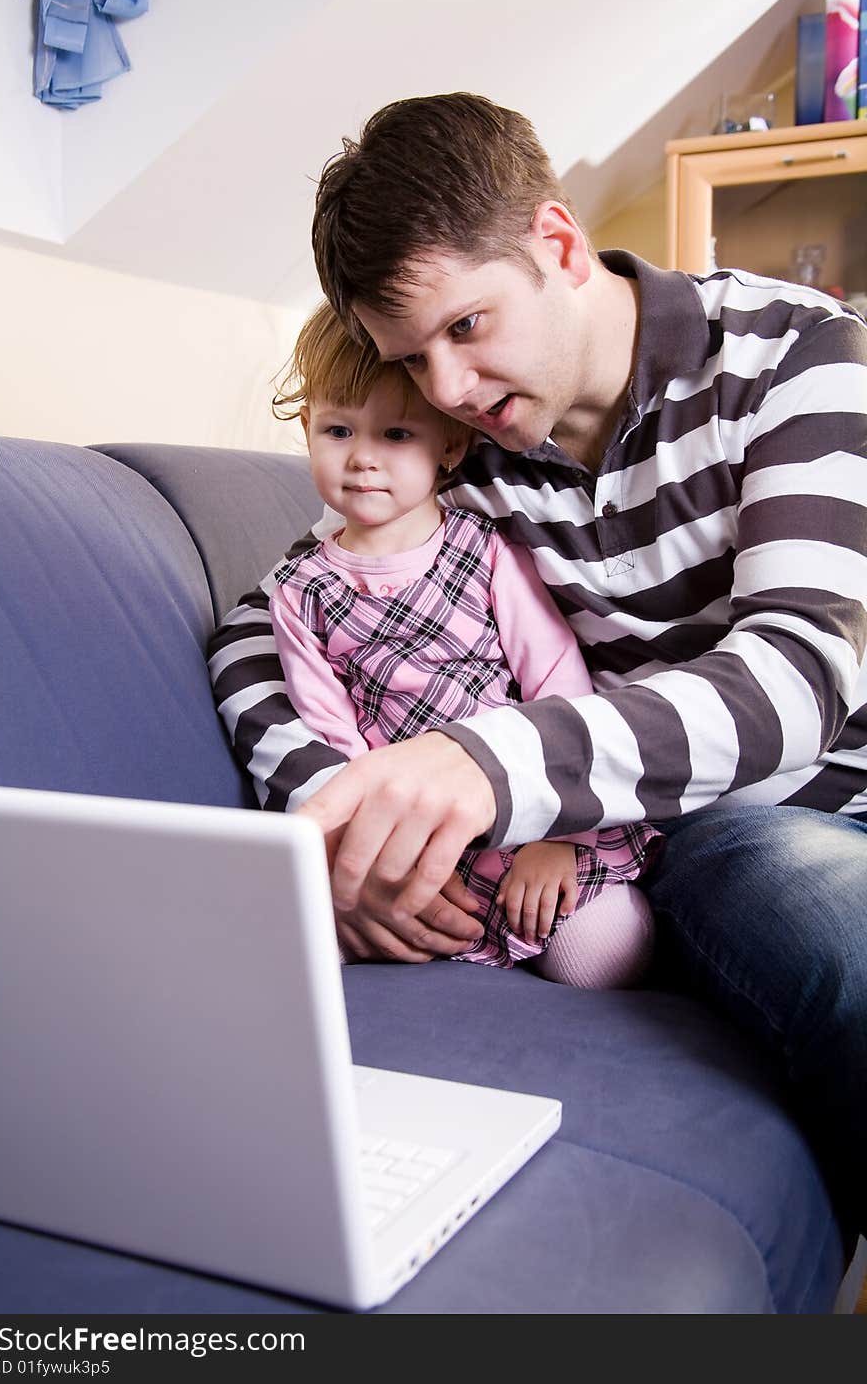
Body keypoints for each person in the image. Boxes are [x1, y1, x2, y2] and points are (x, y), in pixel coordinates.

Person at [208, 93, 867, 1237]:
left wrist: (485, 760)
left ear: (557, 244)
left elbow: (801, 670)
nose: (445, 389)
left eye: (465, 328)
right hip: (724, 822)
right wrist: (338, 817)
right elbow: (256, 622)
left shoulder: (797, 352)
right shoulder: (465, 452)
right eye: (408, 357)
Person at [267, 300, 659, 984]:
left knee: (599, 954)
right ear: (307, 430)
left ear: (449, 447)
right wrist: (377, 858)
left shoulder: (485, 550)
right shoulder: (299, 590)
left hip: (532, 804)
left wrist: (559, 836)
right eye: (337, 430)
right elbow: (333, 739)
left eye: (394, 434)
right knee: (296, 945)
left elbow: (557, 683)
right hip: (418, 832)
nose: (361, 458)